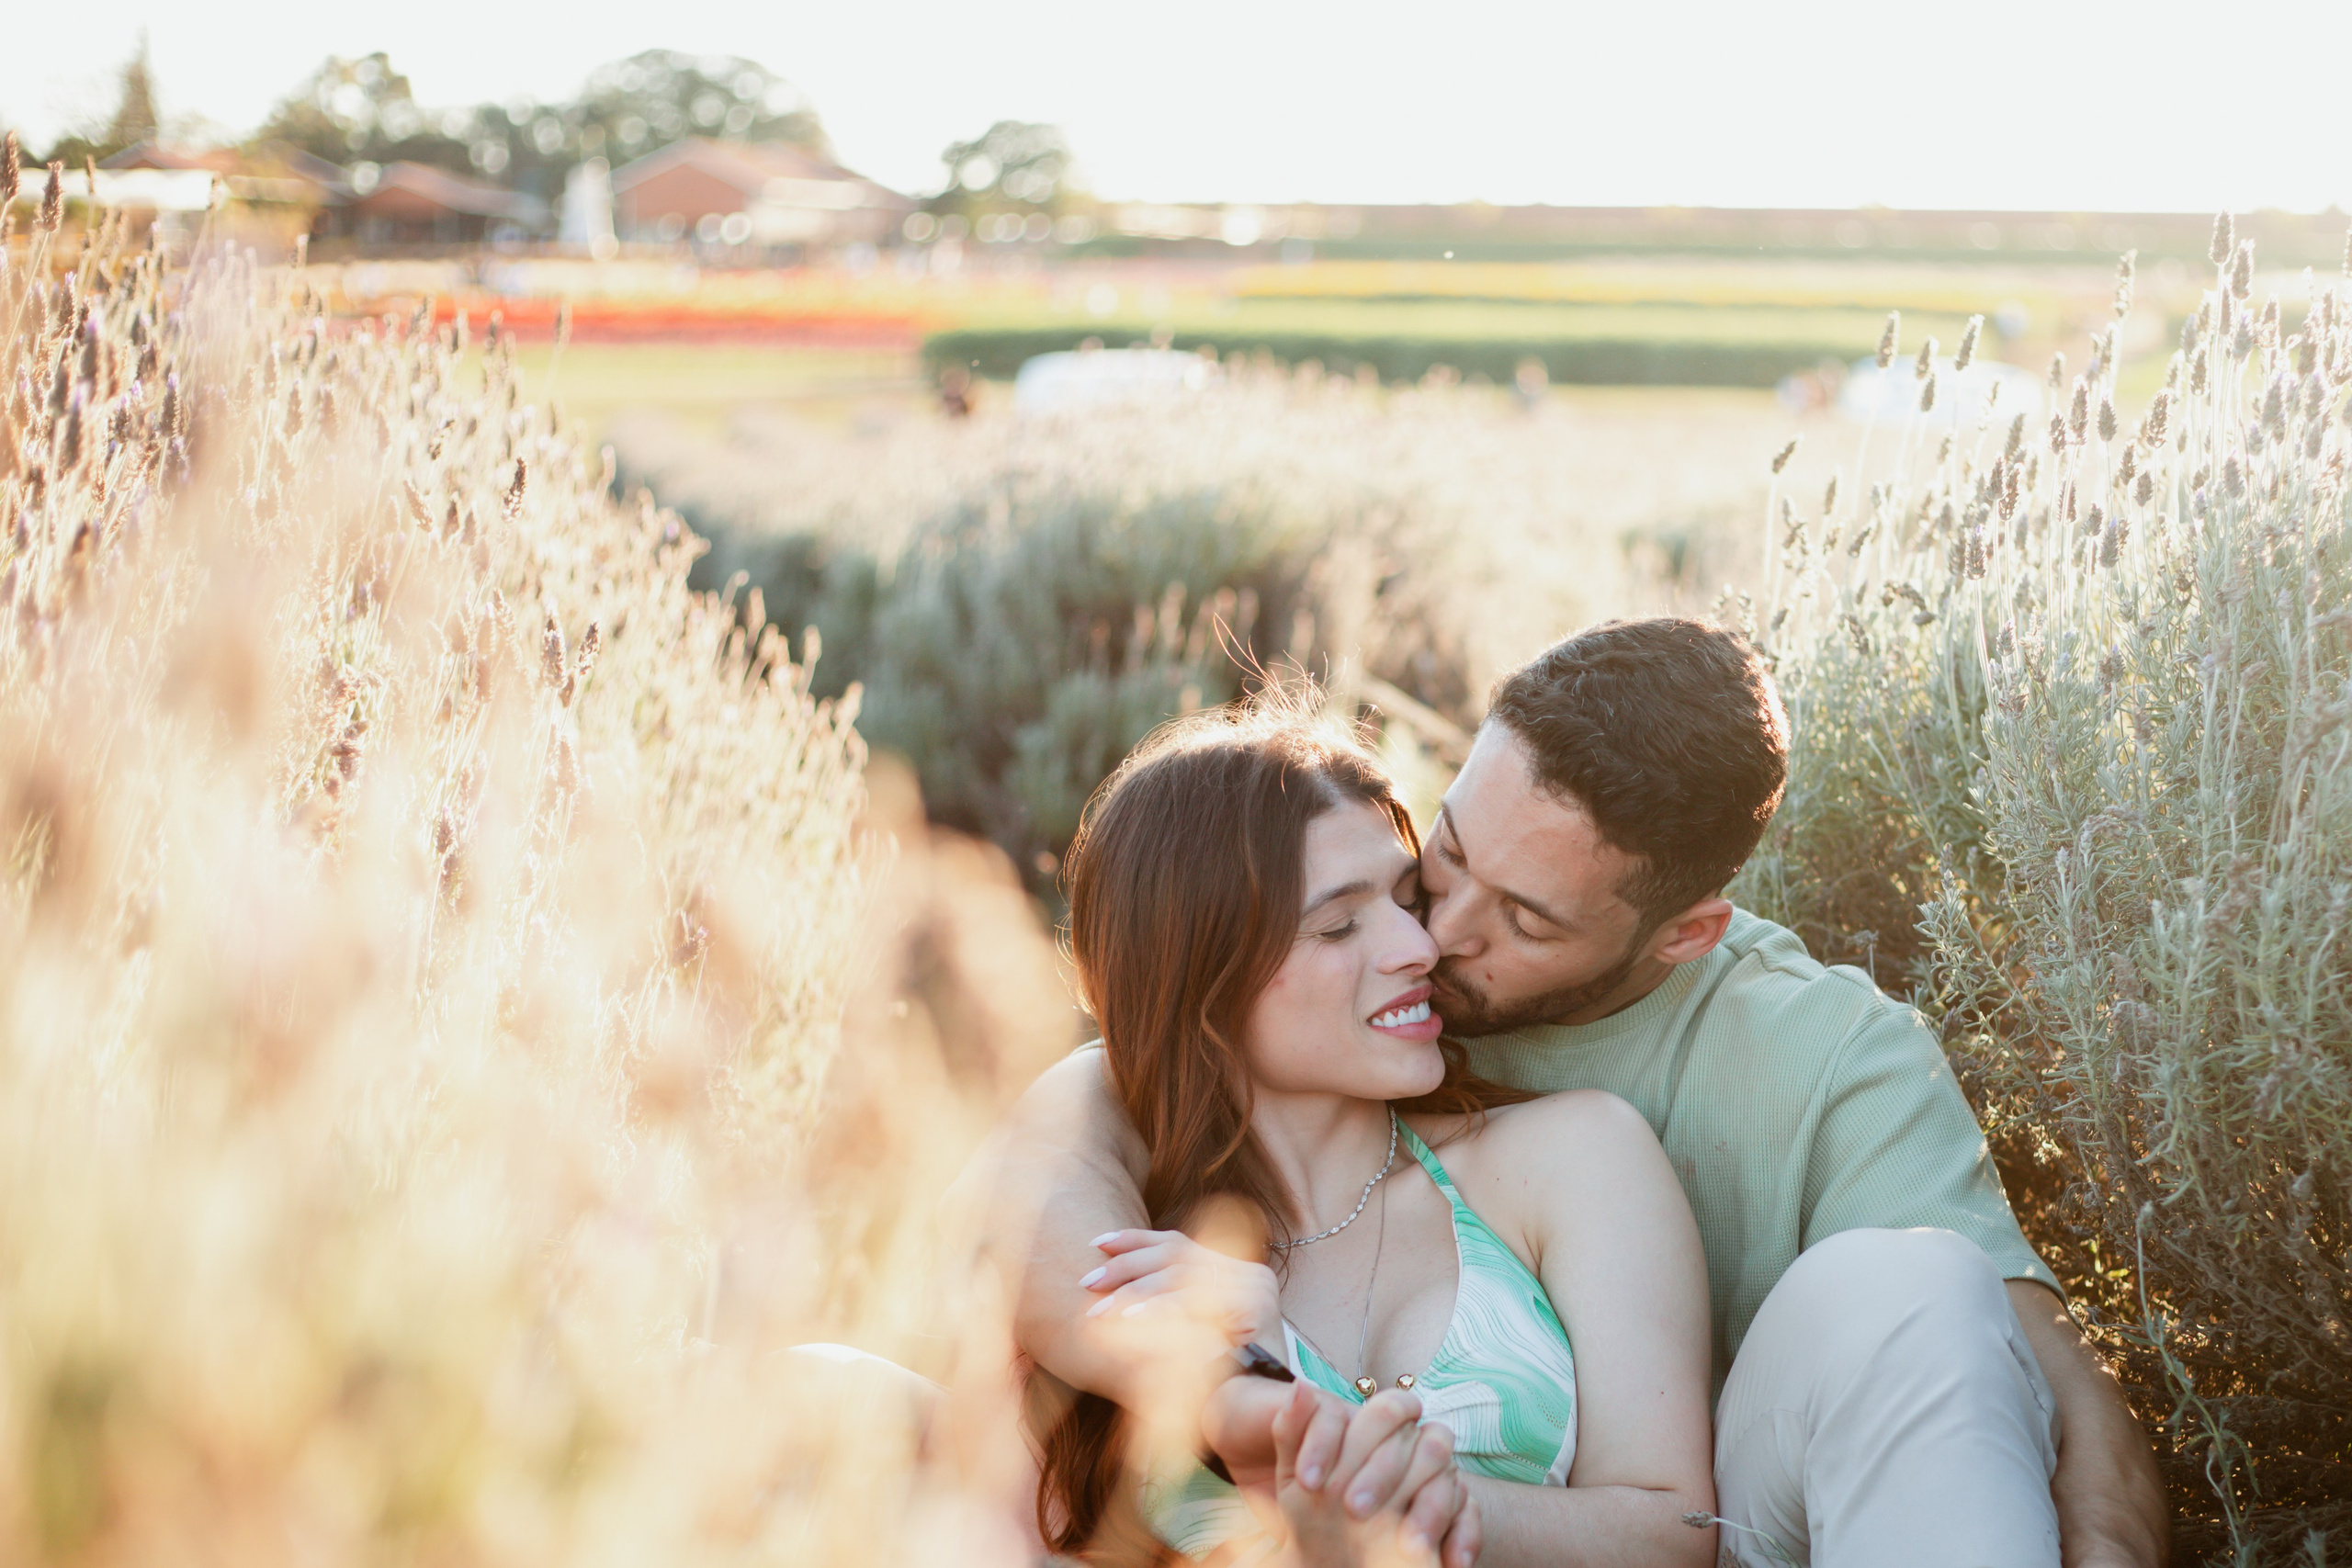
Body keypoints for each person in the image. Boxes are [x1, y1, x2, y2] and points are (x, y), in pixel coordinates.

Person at [1004, 618, 2169, 1567]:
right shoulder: (1165, 1093)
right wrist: (1233, 1390)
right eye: (1442, 861)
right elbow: (1040, 1186)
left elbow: (2030, 1373)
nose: (1435, 939)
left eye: (1522, 919)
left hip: (1760, 1518)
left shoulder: (1816, 1063)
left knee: (1909, 1280)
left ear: (1682, 936)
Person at [1019, 696, 1717, 1565]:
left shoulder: (1568, 1158)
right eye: (1341, 924)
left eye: (1406, 894)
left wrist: (1419, 1498)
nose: (1420, 947)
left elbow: (1676, 1537)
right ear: (1201, 971)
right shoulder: (1135, 1245)